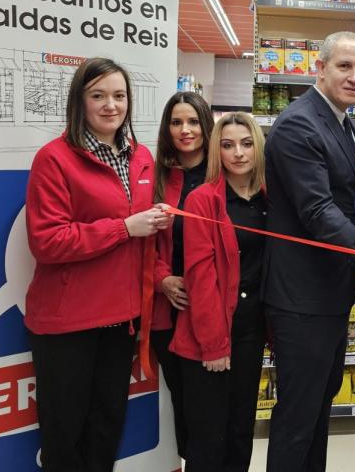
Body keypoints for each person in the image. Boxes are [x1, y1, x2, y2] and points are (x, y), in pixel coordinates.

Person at [25, 57, 170, 472]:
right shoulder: (55, 158)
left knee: (106, 429)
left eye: (119, 95)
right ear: (80, 101)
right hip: (68, 323)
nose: (111, 105)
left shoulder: (141, 156)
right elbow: (47, 241)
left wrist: (155, 219)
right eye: (99, 96)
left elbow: (141, 229)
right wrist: (125, 228)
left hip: (121, 321)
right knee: (63, 437)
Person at [263, 31, 355, 471]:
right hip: (300, 298)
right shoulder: (298, 124)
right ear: (319, 68)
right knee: (298, 415)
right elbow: (317, 209)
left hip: (327, 292)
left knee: (319, 404)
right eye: (344, 66)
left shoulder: (344, 121)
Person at [170, 112, 268, 472]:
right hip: (208, 333)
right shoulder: (202, 200)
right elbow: (200, 277)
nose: (238, 153)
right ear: (217, 151)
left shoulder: (267, 198)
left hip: (251, 330)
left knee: (241, 429)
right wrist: (214, 344)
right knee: (208, 438)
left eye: (246, 144)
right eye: (227, 145)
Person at [150, 92, 215, 460]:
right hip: (171, 308)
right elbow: (145, 244)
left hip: (212, 309)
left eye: (192, 121)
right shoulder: (157, 175)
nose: (185, 130)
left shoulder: (223, 173)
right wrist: (162, 280)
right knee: (182, 401)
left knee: (208, 406)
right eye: (177, 122)